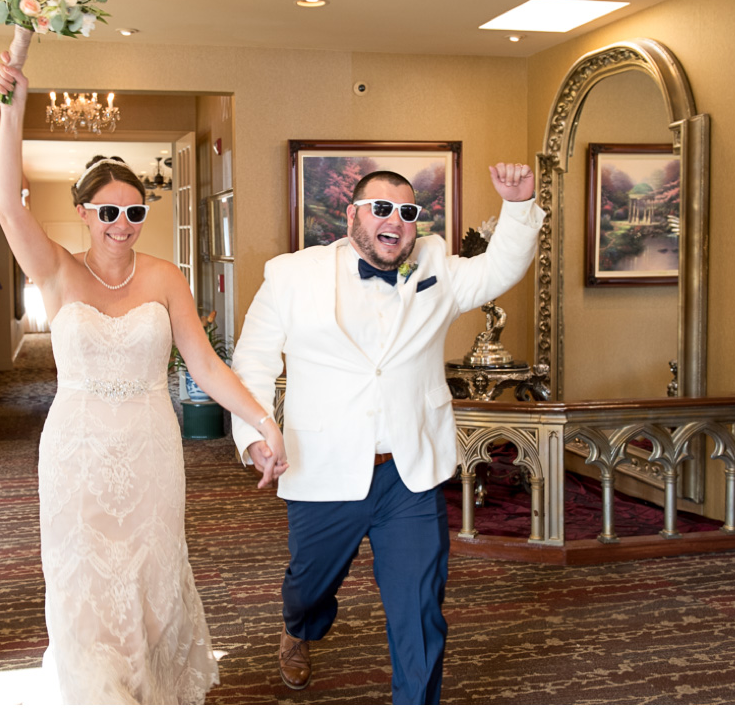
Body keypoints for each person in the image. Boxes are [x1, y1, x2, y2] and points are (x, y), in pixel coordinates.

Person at [0, 54, 288, 705]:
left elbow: (205, 365)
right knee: (83, 582)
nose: (122, 226)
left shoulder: (164, 278)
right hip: (76, 453)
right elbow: (6, 206)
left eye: (134, 214)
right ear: (82, 212)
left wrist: (263, 423)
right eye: (108, 213)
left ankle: (150, 690)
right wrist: (13, 110)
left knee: (151, 576)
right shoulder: (56, 270)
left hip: (151, 449)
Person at [230, 166, 542, 704]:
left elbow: (500, 269)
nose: (394, 220)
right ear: (351, 214)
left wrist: (518, 205)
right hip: (321, 466)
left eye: (407, 212)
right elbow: (252, 360)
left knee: (418, 608)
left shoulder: (436, 269)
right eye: (380, 208)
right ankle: (299, 628)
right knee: (309, 588)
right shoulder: (291, 275)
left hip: (409, 473)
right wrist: (256, 432)